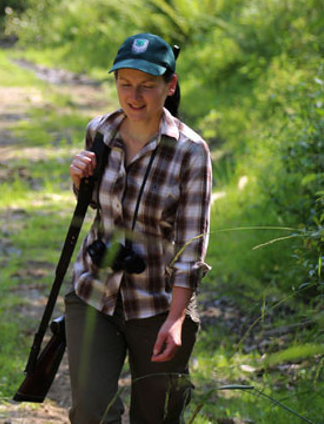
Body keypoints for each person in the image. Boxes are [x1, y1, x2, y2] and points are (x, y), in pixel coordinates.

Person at [65, 33, 212, 423]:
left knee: (158, 416)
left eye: (147, 86)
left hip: (159, 303)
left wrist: (177, 320)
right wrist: (80, 180)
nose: (134, 96)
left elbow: (191, 246)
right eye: (125, 84)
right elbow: (96, 205)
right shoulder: (100, 131)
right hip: (94, 292)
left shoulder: (191, 151)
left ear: (170, 85)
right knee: (90, 413)